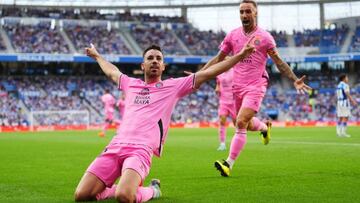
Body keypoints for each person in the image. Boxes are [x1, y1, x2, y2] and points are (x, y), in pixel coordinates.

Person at [74, 42, 255, 202]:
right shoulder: (131, 84)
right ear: (142, 65)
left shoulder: (173, 86)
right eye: (150, 58)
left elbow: (209, 72)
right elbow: (112, 71)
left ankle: (153, 190)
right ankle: (111, 190)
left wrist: (239, 56)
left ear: (163, 66)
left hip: (140, 150)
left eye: (158, 59)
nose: (154, 61)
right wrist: (97, 56)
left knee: (125, 196)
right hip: (115, 146)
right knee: (81, 195)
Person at [200, 0, 312, 177]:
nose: (244, 15)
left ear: (255, 13)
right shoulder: (232, 36)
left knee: (241, 122)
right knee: (247, 123)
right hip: (238, 87)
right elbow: (218, 58)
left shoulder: (265, 37)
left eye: (248, 11)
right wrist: (199, 75)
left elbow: (279, 62)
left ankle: (228, 163)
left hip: (256, 85)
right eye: (242, 12)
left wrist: (294, 79)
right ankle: (264, 128)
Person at [215, 69, 236, 151]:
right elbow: (218, 83)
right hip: (223, 101)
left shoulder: (235, 71)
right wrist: (217, 88)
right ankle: (222, 144)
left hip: (234, 101)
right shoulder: (219, 72)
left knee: (237, 123)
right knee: (222, 120)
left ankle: (236, 143)